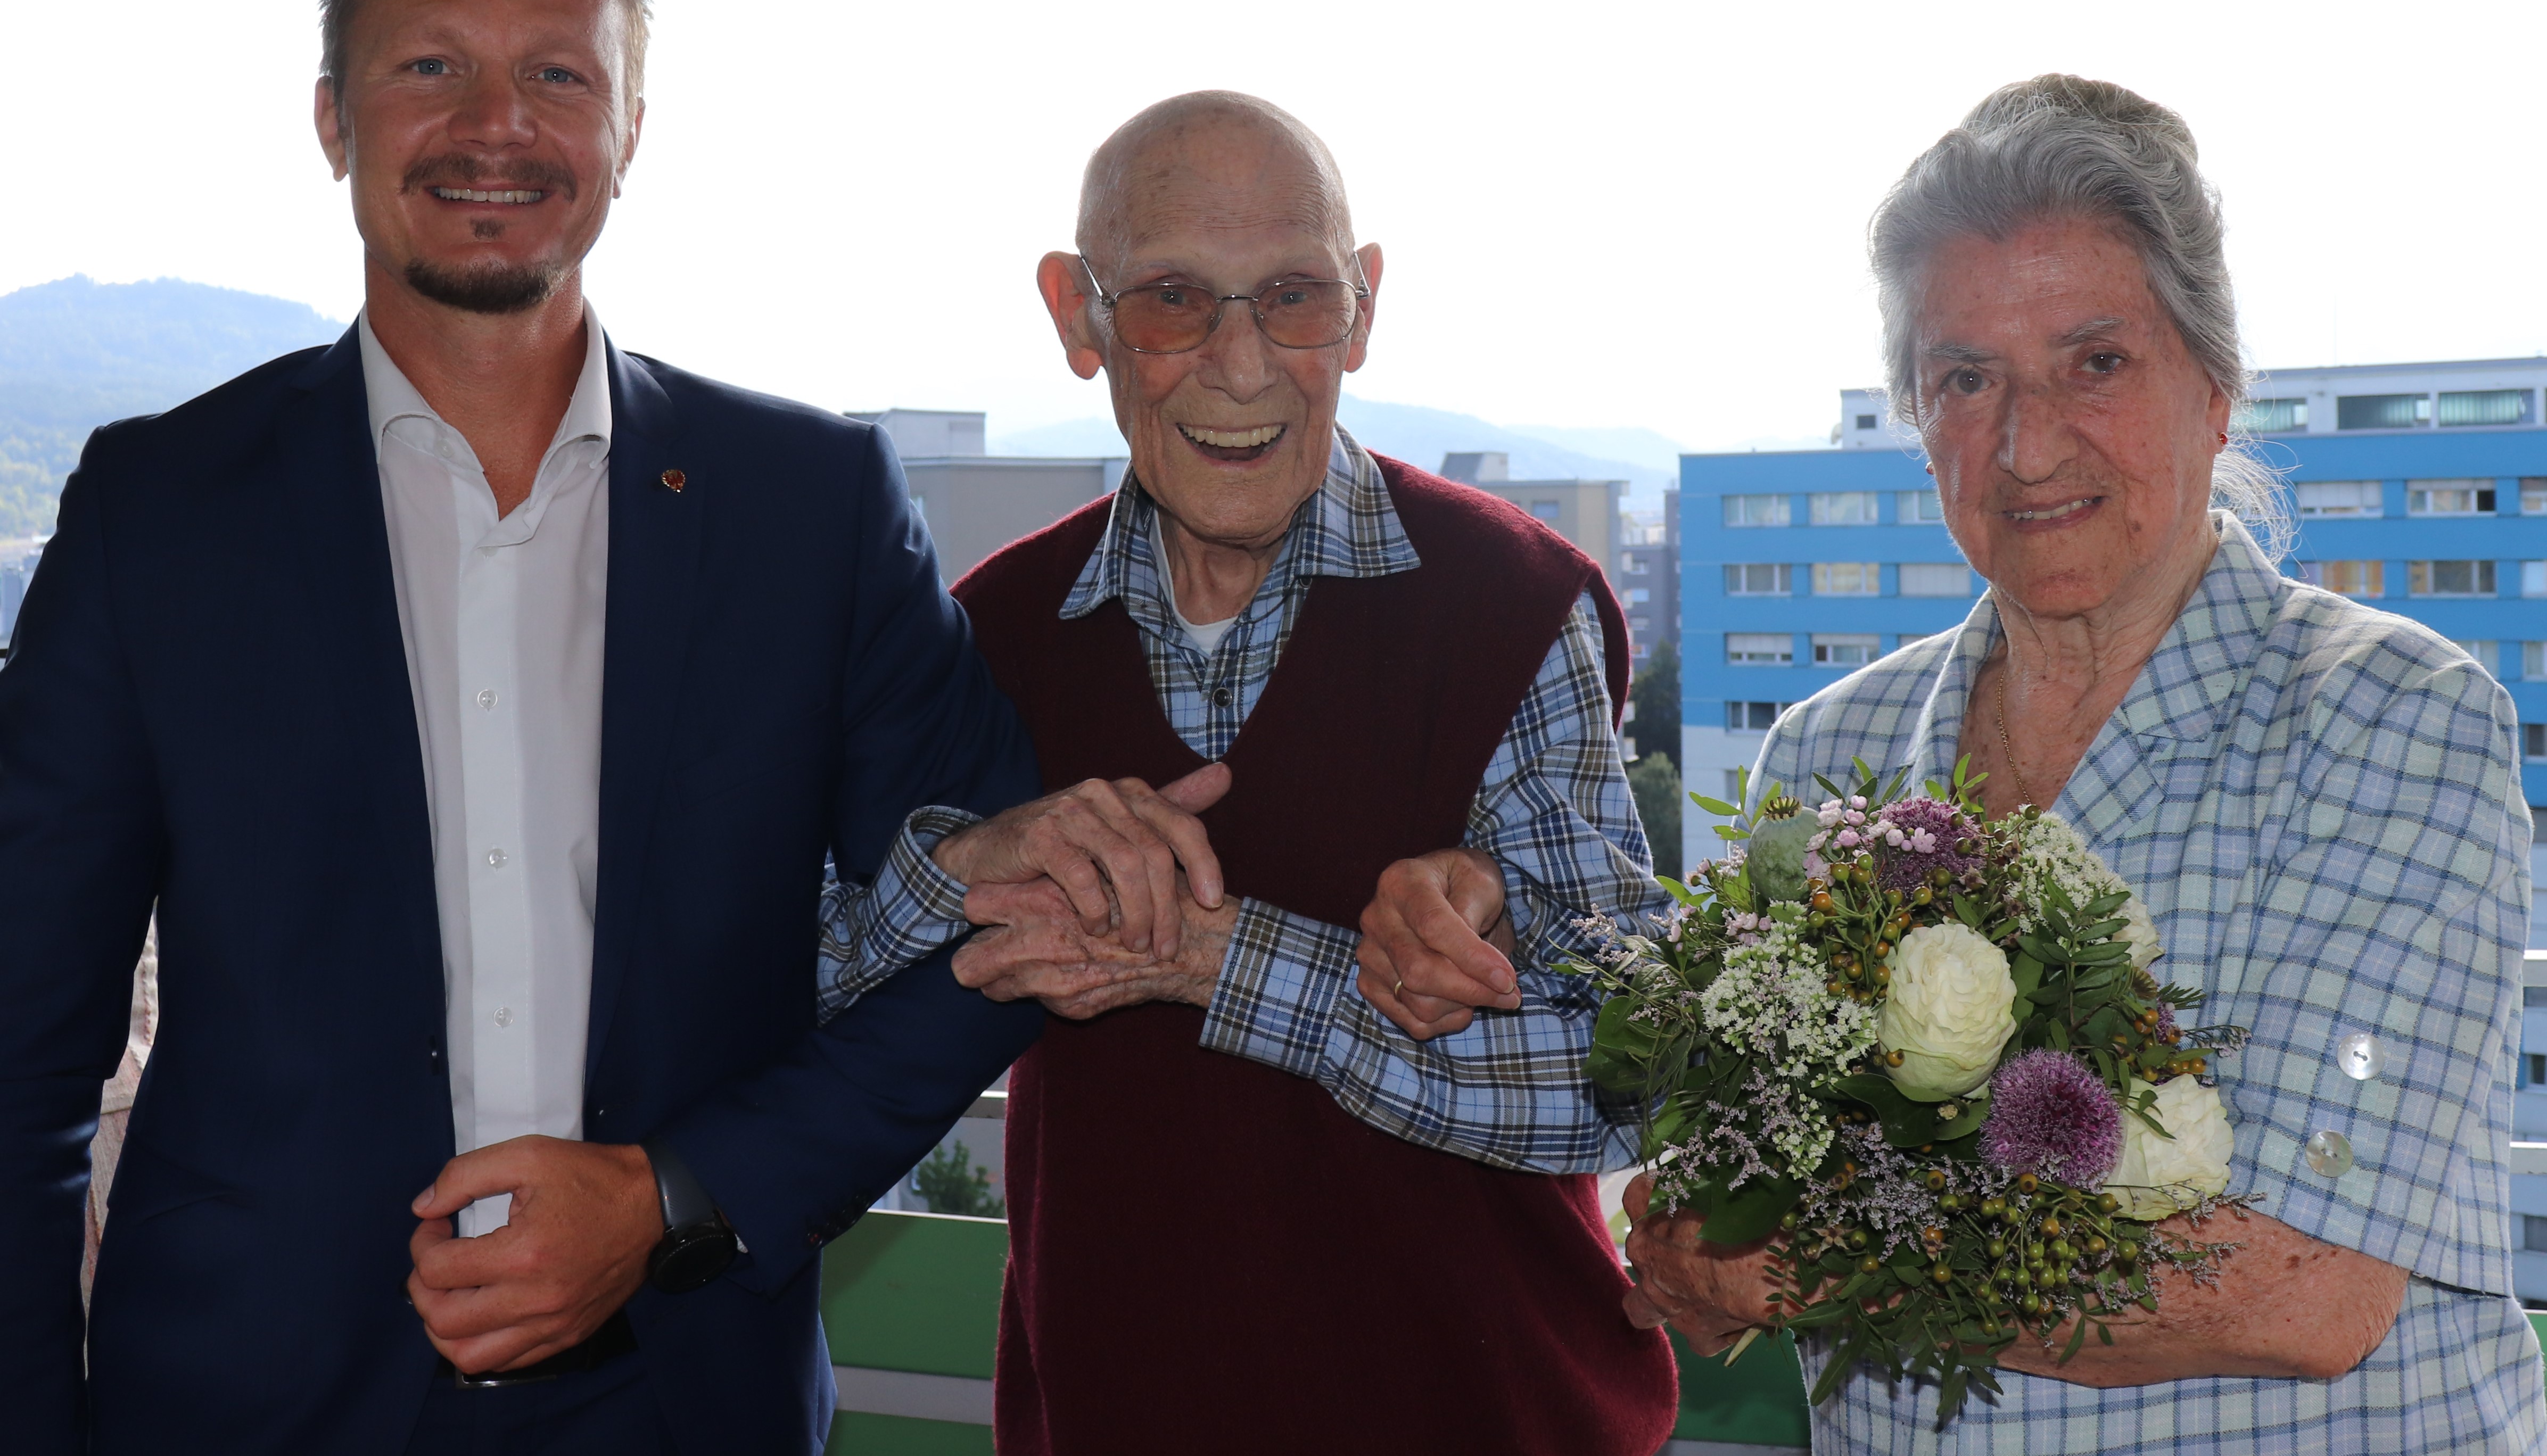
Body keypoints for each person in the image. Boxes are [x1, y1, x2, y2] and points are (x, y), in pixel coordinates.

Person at [0, 0, 1212, 1456]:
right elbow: (22, 1050)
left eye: (557, 74)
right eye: (431, 64)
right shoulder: (159, 508)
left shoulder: (813, 506)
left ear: (629, 129)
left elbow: (991, 938)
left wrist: (673, 1198)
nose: (496, 124)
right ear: (330, 117)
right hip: (239, 1404)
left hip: (686, 1399)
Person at [1621, 75, 2547, 1450]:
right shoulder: (1829, 759)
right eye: (1965, 379)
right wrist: (1698, 1222)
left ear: (2215, 386)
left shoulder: (2390, 714)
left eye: (2095, 362)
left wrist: (1810, 1260)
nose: (2025, 441)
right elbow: (1744, 1176)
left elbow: (2305, 1285)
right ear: (1914, 414)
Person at [810, 90, 1680, 1456]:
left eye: (1290, 297)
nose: (1239, 364)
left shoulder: (1515, 604)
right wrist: (965, 867)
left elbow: (1630, 1076)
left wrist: (1219, 963)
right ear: (1076, 316)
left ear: (1364, 305)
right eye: (1169, 300)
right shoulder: (993, 633)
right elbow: (792, 1000)